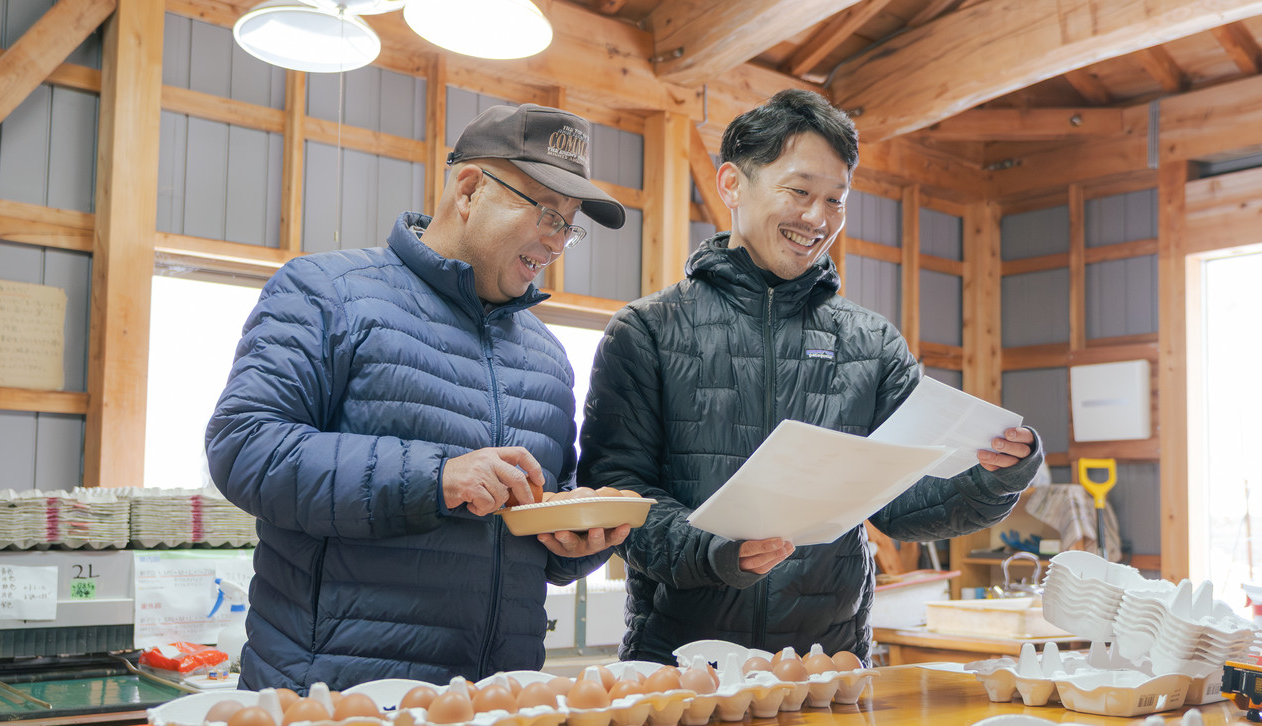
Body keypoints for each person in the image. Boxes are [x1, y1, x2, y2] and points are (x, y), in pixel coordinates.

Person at [578, 89, 1044, 666]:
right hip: (680, 663)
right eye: (799, 191)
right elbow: (616, 494)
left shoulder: (871, 344)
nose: (817, 219)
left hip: (828, 662)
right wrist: (715, 551)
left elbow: (902, 504)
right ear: (731, 184)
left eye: (835, 200)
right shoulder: (646, 330)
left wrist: (994, 477)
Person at [206, 103, 630, 691]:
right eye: (545, 213)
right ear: (469, 188)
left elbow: (532, 540)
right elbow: (246, 447)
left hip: (494, 709)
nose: (557, 241)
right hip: (334, 707)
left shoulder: (547, 356)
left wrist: (577, 542)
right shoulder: (327, 292)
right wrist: (438, 478)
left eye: (569, 224)